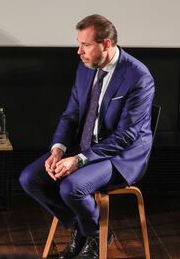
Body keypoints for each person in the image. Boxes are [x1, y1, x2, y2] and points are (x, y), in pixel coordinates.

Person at [19, 14, 154, 259]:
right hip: (84, 146)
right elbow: (70, 115)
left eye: (85, 44)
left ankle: (94, 237)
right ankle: (82, 229)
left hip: (120, 157)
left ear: (106, 44)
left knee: (71, 187)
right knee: (30, 179)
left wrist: (79, 160)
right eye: (79, 43)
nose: (79, 51)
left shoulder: (139, 77)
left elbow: (126, 136)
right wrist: (58, 149)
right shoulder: (85, 68)